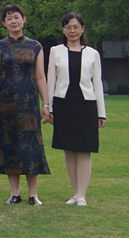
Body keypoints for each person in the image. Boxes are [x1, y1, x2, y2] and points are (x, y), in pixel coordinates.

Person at [0, 4, 51, 206]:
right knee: (10, 145)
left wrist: (46, 104)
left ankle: (33, 194)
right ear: (4, 23)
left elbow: (40, 77)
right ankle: (15, 194)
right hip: (5, 104)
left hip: (30, 103)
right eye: (9, 18)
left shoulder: (35, 46)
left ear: (24, 19)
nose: (13, 21)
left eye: (16, 17)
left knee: (32, 147)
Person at [47, 13, 106, 207]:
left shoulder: (92, 54)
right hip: (63, 104)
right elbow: (51, 81)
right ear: (63, 30)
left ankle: (82, 195)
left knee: (84, 150)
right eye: (68, 27)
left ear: (82, 29)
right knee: (69, 150)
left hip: (86, 105)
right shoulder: (55, 51)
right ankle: (75, 192)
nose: (72, 31)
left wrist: (101, 112)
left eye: (75, 27)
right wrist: (49, 107)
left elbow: (97, 83)